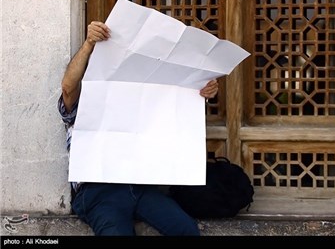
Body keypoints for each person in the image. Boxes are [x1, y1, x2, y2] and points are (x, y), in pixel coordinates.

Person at [58, 21, 219, 236]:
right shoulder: (85, 101)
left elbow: (174, 103)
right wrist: (89, 44)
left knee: (187, 230)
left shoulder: (142, 98)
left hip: (141, 186)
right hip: (98, 190)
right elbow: (68, 88)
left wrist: (202, 90)